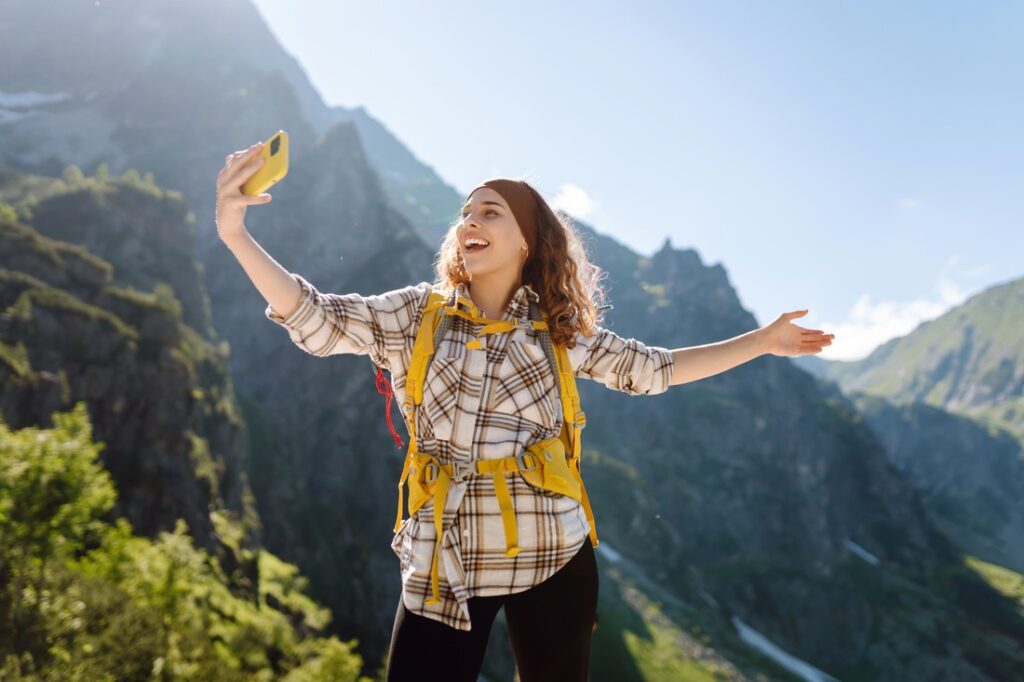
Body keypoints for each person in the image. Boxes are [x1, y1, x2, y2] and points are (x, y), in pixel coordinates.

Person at [215, 141, 836, 681]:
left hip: (554, 555)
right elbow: (315, 318)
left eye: (491, 211)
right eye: (465, 214)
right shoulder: (413, 315)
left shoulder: (559, 331)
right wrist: (236, 235)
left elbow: (654, 370)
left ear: (526, 240)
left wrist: (762, 341)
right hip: (444, 557)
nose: (470, 222)